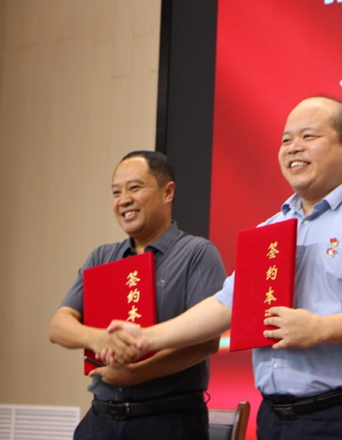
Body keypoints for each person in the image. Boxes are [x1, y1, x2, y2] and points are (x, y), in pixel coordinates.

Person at [107, 96, 342, 440]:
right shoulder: (270, 229)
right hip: (276, 418)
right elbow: (227, 305)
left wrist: (321, 328)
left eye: (308, 136)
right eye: (286, 140)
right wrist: (146, 337)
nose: (293, 148)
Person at [49, 150, 227, 440]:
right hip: (101, 420)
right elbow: (58, 326)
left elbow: (205, 343)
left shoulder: (197, 253)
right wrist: (98, 339)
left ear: (168, 192)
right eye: (116, 192)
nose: (123, 200)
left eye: (134, 188)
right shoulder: (102, 257)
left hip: (168, 421)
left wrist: (138, 373)